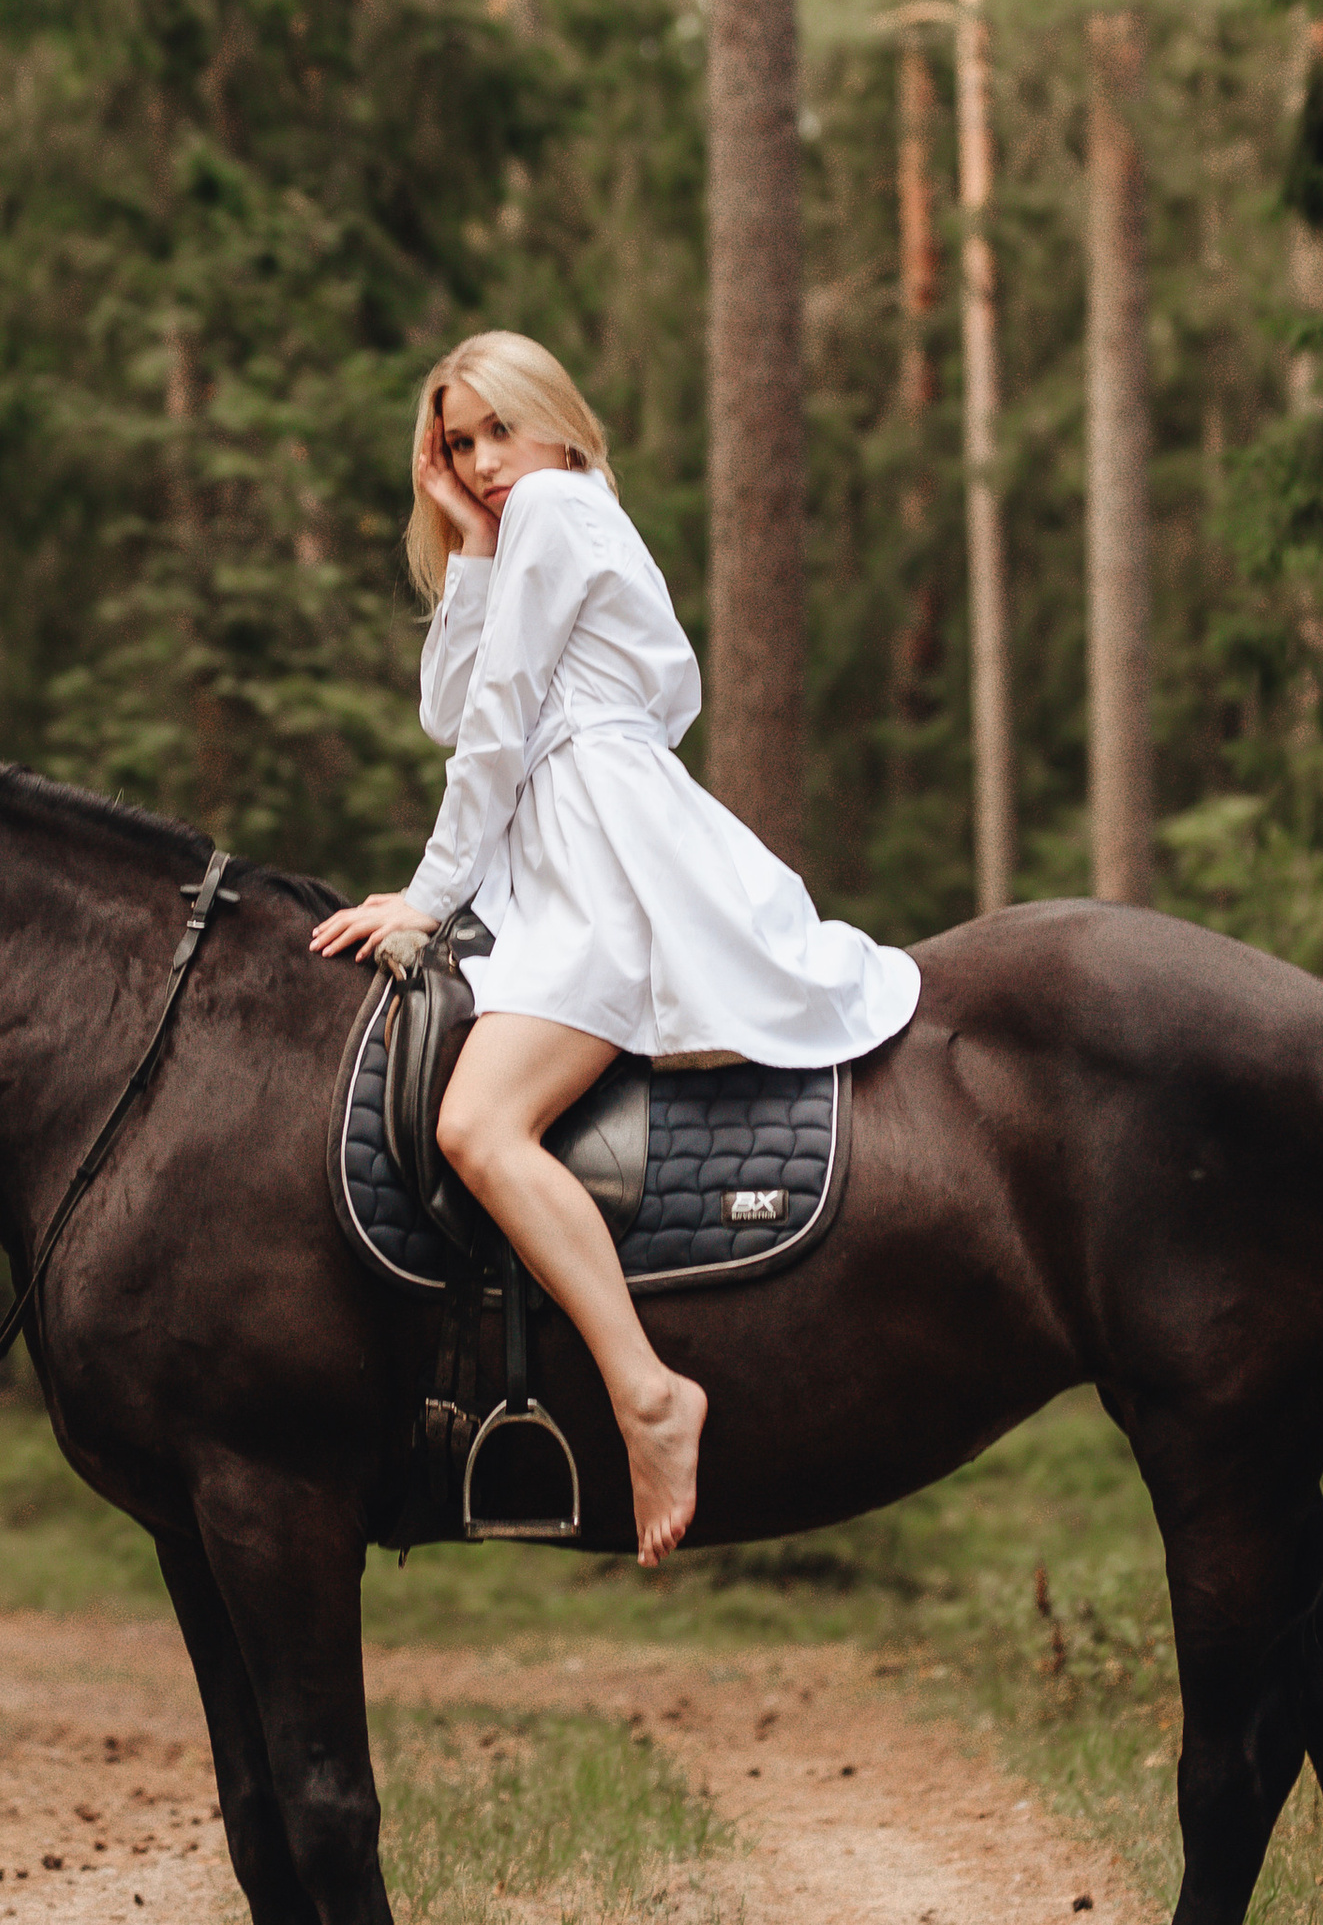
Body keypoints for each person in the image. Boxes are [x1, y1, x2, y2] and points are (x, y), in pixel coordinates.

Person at [313, 330, 921, 1568]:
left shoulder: (554, 500)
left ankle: (649, 1394)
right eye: (457, 442)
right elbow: (451, 705)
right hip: (565, 854)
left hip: (596, 865)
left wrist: (429, 896)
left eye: (497, 430)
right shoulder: (538, 518)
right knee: (478, 1121)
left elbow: (489, 730)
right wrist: (467, 545)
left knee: (478, 1127)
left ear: (556, 420)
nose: (483, 464)